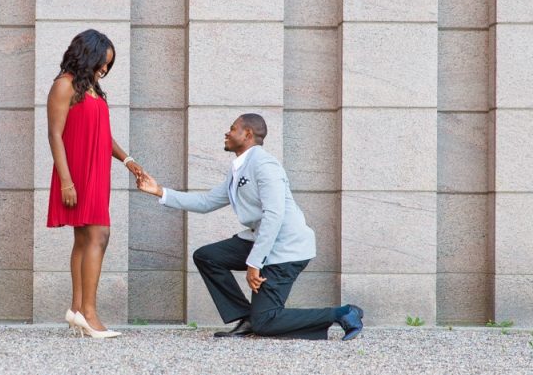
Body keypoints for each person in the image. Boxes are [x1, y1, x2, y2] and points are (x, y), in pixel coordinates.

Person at [137, 113, 363, 340]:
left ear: (247, 134)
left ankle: (343, 313)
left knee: (266, 322)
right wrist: (160, 191)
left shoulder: (265, 165)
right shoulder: (239, 168)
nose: (227, 132)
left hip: (286, 250)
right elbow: (206, 203)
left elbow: (274, 215)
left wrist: (255, 262)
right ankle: (246, 317)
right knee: (207, 256)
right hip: (262, 241)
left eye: (232, 128)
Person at [47, 29, 143, 339]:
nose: (104, 69)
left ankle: (77, 310)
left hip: (97, 170)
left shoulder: (92, 89)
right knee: (99, 234)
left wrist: (128, 161)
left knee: (84, 238)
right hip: (76, 172)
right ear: (88, 54)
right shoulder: (64, 86)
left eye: (108, 66)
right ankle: (89, 312)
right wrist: (66, 181)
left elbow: (102, 134)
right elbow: (55, 135)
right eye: (103, 62)